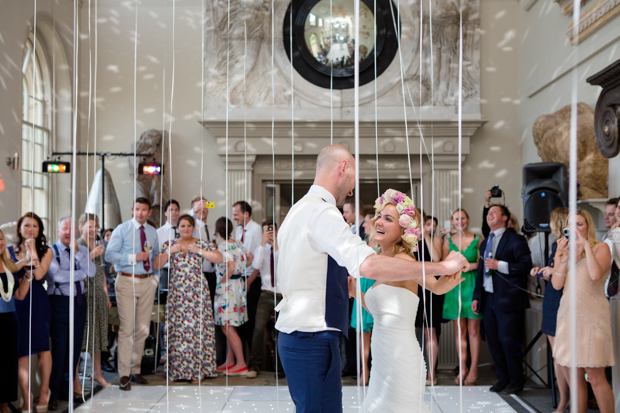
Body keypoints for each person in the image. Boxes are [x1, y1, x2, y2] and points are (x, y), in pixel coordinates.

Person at [275, 145, 468, 413]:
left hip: (301, 335)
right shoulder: (322, 212)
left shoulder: (298, 210)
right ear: (343, 168)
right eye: (353, 179)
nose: (352, 190)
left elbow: (433, 287)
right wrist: (442, 265)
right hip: (312, 337)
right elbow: (369, 266)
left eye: (388, 218)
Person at [347, 189, 464, 412]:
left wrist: (449, 271)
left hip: (399, 361)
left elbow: (435, 286)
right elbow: (381, 312)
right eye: (380, 216)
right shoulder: (380, 260)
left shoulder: (404, 260)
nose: (379, 222)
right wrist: (356, 293)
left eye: (388, 219)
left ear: (404, 231)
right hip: (383, 360)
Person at [552, 209, 614, 413]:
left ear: (588, 226)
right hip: (568, 317)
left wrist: (585, 244)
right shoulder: (562, 251)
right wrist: (563, 256)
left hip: (593, 319)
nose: (575, 229)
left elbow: (596, 275)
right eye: (571, 225)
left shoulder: (601, 247)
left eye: (580, 224)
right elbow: (556, 284)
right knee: (575, 378)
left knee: (595, 377)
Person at [153, 214, 222, 382]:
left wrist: (200, 251)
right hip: (177, 292)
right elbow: (156, 265)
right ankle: (176, 371)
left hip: (197, 292)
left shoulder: (201, 243)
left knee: (196, 330)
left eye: (188, 226)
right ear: (177, 228)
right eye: (182, 226)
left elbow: (219, 258)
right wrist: (170, 252)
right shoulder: (169, 244)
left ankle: (196, 371)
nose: (185, 229)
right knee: (178, 330)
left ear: (193, 227)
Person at [472, 204, 532, 395]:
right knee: (493, 341)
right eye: (488, 213)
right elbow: (481, 272)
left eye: (494, 212)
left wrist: (500, 265)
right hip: (488, 298)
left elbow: (526, 266)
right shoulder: (484, 243)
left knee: (508, 340)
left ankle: (516, 379)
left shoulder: (516, 239)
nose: (489, 215)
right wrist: (476, 297)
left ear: (505, 218)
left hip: (508, 299)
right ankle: (503, 378)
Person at [105, 197, 160, 391]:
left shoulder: (153, 232)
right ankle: (124, 374)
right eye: (137, 209)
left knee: (143, 329)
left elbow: (155, 258)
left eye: (144, 210)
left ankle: (136, 370)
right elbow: (109, 255)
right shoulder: (122, 229)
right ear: (132, 209)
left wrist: (156, 279)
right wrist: (133, 257)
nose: (140, 213)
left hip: (147, 282)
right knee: (127, 328)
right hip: (127, 279)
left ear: (149, 212)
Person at [47, 216, 96, 409]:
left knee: (75, 349)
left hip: (78, 302)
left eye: (71, 229)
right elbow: (57, 275)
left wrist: (78, 255)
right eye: (64, 228)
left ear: (76, 231)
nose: (68, 232)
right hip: (59, 302)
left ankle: (68, 390)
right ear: (58, 231)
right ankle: (53, 393)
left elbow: (91, 272)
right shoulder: (51, 251)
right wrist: (80, 274)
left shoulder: (82, 250)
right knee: (59, 350)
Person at [9, 212, 53, 413]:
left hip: (38, 302)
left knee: (43, 348)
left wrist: (32, 249)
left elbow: (40, 274)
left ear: (39, 230)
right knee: (22, 352)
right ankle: (26, 397)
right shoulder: (8, 251)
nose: (30, 229)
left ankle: (44, 392)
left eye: (34, 226)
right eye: (26, 225)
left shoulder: (46, 251)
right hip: (17, 303)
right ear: (19, 228)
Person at [529, 207, 569, 413]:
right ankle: (563, 399)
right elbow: (556, 273)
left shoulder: (572, 246)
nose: (550, 225)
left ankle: (574, 398)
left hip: (565, 301)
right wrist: (544, 272)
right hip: (552, 299)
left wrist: (554, 271)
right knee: (556, 356)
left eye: (552, 221)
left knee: (567, 355)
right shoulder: (555, 245)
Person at [442, 208, 483, 386]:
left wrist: (473, 266)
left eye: (463, 218)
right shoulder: (447, 241)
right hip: (455, 288)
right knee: (460, 331)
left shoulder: (478, 238)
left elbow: (484, 263)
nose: (460, 221)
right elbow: (443, 266)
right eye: (457, 219)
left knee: (474, 331)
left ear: (468, 219)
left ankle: (474, 368)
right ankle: (463, 367)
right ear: (452, 221)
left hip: (472, 287)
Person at [74, 213, 111, 392]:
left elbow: (102, 272)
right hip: (84, 293)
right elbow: (75, 267)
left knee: (98, 334)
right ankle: (75, 379)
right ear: (81, 227)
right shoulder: (77, 245)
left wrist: (106, 293)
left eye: (95, 226)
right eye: (89, 226)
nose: (93, 229)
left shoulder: (98, 244)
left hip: (98, 294)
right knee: (82, 337)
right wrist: (91, 254)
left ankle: (97, 373)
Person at [0, 228, 31, 413]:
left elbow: (19, 295)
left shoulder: (9, 264)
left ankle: (4, 407)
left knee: (7, 367)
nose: (0, 242)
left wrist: (27, 276)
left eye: (1, 238)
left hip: (10, 322)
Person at [246, 220, 282, 379]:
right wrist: (263, 244)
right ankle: (255, 364)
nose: (269, 233)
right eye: (266, 231)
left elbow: (285, 264)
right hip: (266, 294)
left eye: (272, 230)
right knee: (259, 329)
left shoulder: (283, 247)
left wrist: (276, 246)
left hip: (282, 296)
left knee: (282, 332)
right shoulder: (260, 248)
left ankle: (280, 368)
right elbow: (256, 264)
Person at [214, 217, 249, 375]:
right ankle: (230, 360)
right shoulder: (238, 243)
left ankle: (241, 363)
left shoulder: (222, 247)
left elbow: (231, 267)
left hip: (228, 287)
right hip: (238, 286)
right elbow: (249, 259)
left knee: (227, 327)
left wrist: (221, 282)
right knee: (228, 326)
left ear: (217, 230)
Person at [415, 213, 445, 386]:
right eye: (426, 224)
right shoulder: (410, 239)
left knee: (430, 332)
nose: (429, 227)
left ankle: (431, 374)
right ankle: (413, 374)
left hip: (431, 289)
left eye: (432, 225)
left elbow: (435, 258)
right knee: (411, 332)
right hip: (413, 287)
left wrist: (426, 235)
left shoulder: (435, 239)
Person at [232, 200, 261, 355]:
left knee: (250, 320)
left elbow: (259, 259)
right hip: (239, 279)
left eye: (236, 214)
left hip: (252, 280)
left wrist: (249, 282)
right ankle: (241, 358)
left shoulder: (256, 230)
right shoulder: (238, 231)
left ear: (246, 214)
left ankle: (254, 361)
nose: (234, 218)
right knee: (239, 319)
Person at [342, 197, 366, 379]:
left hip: (362, 281)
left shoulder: (365, 229)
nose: (343, 214)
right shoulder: (347, 229)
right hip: (348, 284)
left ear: (355, 211)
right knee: (351, 326)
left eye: (346, 211)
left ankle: (361, 366)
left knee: (362, 326)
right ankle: (352, 364)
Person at [156, 199, 180, 292]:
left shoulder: (183, 230)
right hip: (167, 271)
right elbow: (157, 253)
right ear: (165, 213)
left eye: (176, 209)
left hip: (182, 271)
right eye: (171, 210)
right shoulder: (159, 232)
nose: (174, 212)